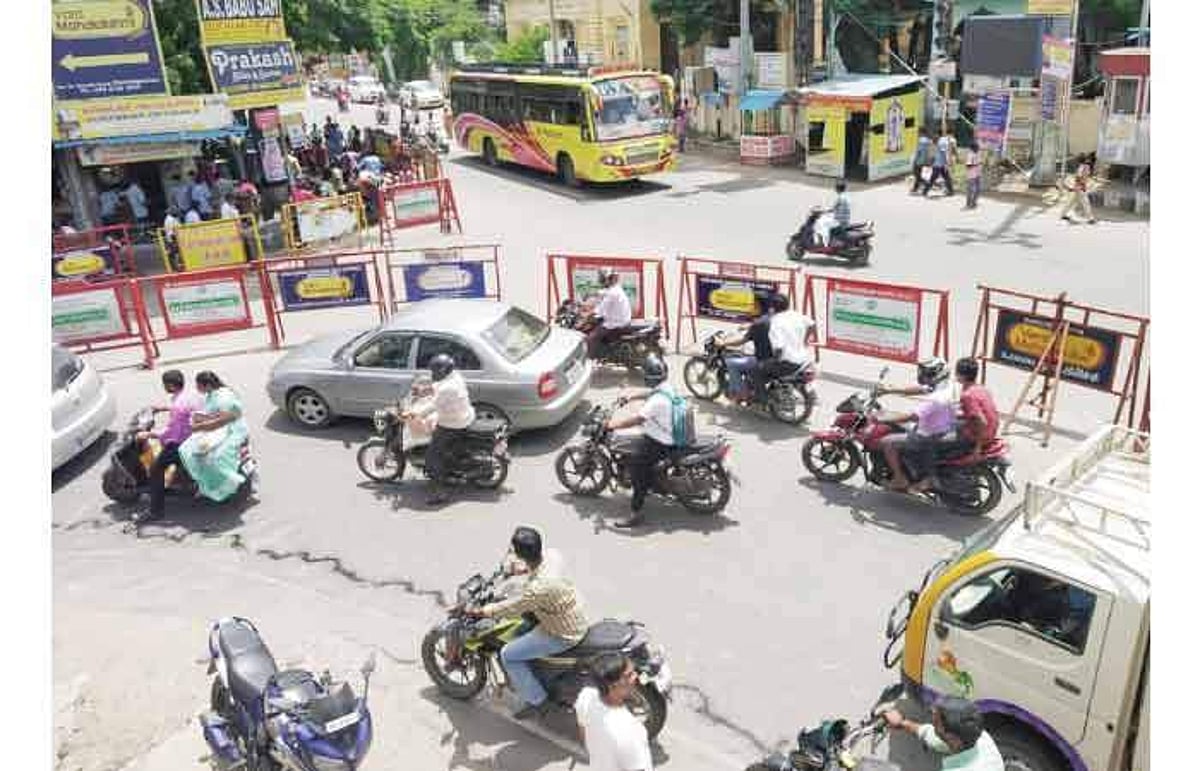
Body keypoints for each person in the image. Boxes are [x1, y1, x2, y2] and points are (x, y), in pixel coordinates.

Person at [468, 527, 588, 720]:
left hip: (561, 633)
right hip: (572, 612)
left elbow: (513, 607)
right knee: (522, 627)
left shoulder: (538, 589)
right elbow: (541, 569)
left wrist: (483, 611)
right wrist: (522, 569)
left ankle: (538, 701)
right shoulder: (552, 555)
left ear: (521, 555)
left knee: (508, 654)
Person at [604, 354, 676, 528]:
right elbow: (650, 393)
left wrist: (613, 425)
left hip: (659, 441)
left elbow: (637, 419)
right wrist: (630, 397)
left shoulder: (657, 402)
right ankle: (651, 481)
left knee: (637, 470)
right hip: (665, 434)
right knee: (635, 443)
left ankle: (635, 513)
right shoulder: (665, 387)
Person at [876, 357, 956, 492]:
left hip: (930, 433)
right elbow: (922, 389)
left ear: (937, 374)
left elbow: (912, 416)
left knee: (887, 442)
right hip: (944, 425)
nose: (922, 375)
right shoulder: (946, 384)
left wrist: (884, 418)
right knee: (899, 426)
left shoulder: (937, 398)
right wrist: (891, 389)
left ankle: (899, 479)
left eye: (927, 373)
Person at [135, 370, 204, 524]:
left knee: (155, 469)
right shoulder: (190, 394)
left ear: (171, 385)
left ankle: (155, 511)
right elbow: (183, 409)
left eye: (165, 384)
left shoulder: (178, 406)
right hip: (196, 436)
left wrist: (148, 435)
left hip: (184, 443)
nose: (164, 387)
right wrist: (164, 408)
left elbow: (172, 432)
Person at [410, 354, 476, 505]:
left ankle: (440, 493)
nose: (433, 374)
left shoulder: (448, 388)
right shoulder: (455, 376)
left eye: (434, 371)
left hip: (453, 423)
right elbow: (436, 387)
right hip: (464, 415)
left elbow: (432, 405)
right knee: (434, 422)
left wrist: (413, 413)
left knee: (432, 457)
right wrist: (422, 392)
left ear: (442, 371)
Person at [177, 371, 250, 504]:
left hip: (232, 431)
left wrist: (199, 427)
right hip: (221, 429)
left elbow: (222, 420)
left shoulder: (223, 397)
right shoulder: (212, 394)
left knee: (203, 456)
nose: (197, 388)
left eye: (199, 385)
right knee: (189, 447)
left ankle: (219, 487)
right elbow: (216, 415)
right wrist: (201, 417)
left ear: (208, 385)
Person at [575, 652, 655, 771]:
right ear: (612, 686)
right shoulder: (631, 731)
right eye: (629, 675)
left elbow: (584, 734)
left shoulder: (585, 697)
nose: (635, 676)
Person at [884, 697, 1003, 771]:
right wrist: (903, 723)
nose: (932, 724)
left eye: (936, 724)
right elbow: (932, 736)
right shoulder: (981, 737)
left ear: (953, 739)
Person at [716, 296, 777, 402]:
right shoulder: (772, 316)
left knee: (731, 363)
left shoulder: (758, 324)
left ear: (758, 306)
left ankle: (742, 394)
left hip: (762, 359)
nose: (751, 307)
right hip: (774, 356)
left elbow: (741, 341)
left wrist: (723, 343)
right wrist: (749, 326)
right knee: (744, 356)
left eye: (753, 304)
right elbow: (763, 323)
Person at [763, 293, 815, 400]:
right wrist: (805, 341)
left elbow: (779, 348)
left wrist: (773, 361)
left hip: (787, 362)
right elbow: (812, 324)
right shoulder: (796, 314)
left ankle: (762, 399)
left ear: (772, 308)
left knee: (756, 370)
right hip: (804, 359)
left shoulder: (775, 322)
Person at [949, 357, 999, 459]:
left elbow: (982, 422)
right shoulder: (981, 389)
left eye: (956, 372)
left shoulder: (967, 395)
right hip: (991, 431)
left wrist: (978, 448)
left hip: (980, 436)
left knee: (937, 440)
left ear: (961, 376)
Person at [587, 270, 633, 358]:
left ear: (608, 280)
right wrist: (592, 294)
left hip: (615, 323)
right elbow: (603, 292)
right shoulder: (616, 289)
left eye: (604, 279)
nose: (603, 282)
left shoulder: (612, 293)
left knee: (591, 338)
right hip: (622, 320)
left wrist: (588, 315)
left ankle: (590, 360)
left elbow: (600, 310)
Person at [1061, 158, 1097, 224]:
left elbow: (1083, 177)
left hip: (1079, 187)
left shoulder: (1085, 167)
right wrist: (1079, 186)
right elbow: (1078, 177)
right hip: (1080, 187)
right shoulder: (1083, 167)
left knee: (1071, 202)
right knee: (1086, 203)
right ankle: (1090, 218)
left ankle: (1063, 214)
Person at [923, 130, 955, 196]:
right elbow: (944, 154)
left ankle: (925, 191)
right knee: (946, 178)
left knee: (933, 179)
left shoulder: (933, 147)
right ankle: (951, 191)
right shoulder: (939, 147)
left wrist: (929, 164)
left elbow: (931, 157)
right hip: (941, 165)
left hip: (937, 166)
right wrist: (947, 163)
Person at [911, 128, 933, 194]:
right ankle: (915, 188)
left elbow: (919, 151)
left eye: (918, 133)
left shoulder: (921, 141)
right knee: (920, 174)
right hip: (927, 161)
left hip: (919, 161)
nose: (918, 134)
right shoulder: (930, 141)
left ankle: (926, 183)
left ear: (921, 133)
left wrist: (915, 159)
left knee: (916, 174)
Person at [964, 141, 983, 209]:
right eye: (977, 148)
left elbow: (980, 162)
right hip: (971, 175)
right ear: (973, 148)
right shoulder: (970, 155)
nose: (978, 149)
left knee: (978, 189)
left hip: (978, 173)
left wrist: (980, 163)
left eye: (978, 147)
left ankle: (974, 202)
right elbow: (968, 165)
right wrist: (976, 164)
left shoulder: (978, 153)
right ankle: (969, 203)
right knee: (971, 190)